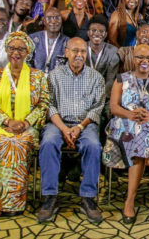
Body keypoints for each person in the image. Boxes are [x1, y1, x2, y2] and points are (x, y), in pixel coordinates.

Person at [0, 31, 49, 217]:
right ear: (6, 50)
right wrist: (7, 122)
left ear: (28, 52)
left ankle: (12, 203)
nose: (15, 52)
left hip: (27, 128)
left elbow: (43, 105)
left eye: (21, 49)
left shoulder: (38, 76)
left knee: (16, 144)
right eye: (11, 48)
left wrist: (24, 123)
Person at [37, 37, 105, 224]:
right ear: (66, 52)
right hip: (58, 123)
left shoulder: (96, 77)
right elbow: (49, 105)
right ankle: (50, 196)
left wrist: (79, 127)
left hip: (85, 124)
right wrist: (64, 128)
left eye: (83, 52)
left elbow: (97, 108)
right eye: (75, 51)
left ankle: (88, 197)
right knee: (49, 142)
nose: (79, 55)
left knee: (92, 145)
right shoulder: (54, 76)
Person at [102, 44, 149, 224]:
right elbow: (114, 107)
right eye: (140, 57)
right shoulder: (121, 79)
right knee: (138, 130)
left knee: (141, 131)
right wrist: (130, 114)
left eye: (148, 58)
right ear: (133, 59)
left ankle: (129, 202)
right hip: (123, 125)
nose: (144, 61)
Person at [85, 14, 119, 99]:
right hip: (82, 93)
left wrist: (99, 99)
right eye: (93, 30)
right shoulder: (81, 49)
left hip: (103, 96)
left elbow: (110, 81)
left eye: (101, 31)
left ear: (106, 34)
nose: (97, 34)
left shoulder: (113, 52)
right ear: (88, 33)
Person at [29, 7, 69, 73]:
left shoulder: (67, 42)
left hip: (58, 81)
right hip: (35, 80)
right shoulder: (33, 39)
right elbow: (27, 63)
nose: (53, 21)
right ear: (44, 21)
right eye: (49, 18)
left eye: (57, 18)